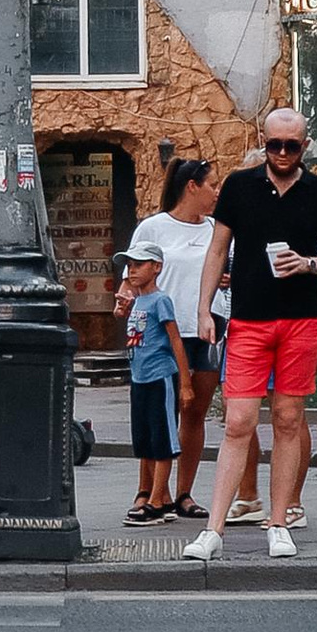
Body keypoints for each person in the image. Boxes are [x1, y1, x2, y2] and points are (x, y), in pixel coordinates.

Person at [183, 107, 317, 562]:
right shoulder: (240, 185)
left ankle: (279, 522)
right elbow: (218, 248)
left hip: (300, 319)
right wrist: (204, 310)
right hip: (248, 319)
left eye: (290, 146)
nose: (281, 153)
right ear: (264, 141)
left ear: (305, 145)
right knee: (238, 421)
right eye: (274, 144)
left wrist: (308, 263)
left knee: (288, 420)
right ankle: (213, 530)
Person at [128, 155, 221, 516]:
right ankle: (150, 492)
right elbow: (131, 279)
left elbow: (226, 269)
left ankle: (184, 494)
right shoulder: (153, 228)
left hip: (207, 328)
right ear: (192, 187)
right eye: (212, 185)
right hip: (162, 335)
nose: (216, 192)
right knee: (159, 413)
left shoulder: (216, 229)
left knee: (195, 412)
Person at [114, 239, 185, 522]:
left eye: (139, 264)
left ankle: (156, 499)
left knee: (162, 439)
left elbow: (175, 339)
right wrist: (123, 310)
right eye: (129, 265)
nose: (132, 270)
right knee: (144, 439)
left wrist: (186, 383)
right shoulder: (138, 301)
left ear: (156, 267)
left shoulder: (161, 300)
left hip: (160, 377)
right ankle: (163, 497)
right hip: (139, 378)